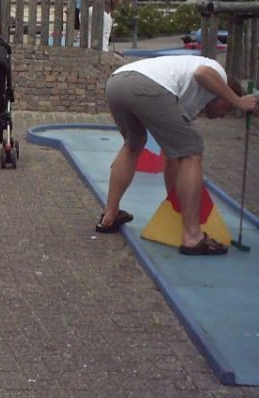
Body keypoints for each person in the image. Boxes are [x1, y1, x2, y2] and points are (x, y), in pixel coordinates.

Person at [97, 55, 257, 256]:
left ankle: (110, 215)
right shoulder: (217, 73)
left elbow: (172, 153)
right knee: (192, 151)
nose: (224, 114)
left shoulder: (189, 95)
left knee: (133, 144)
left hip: (116, 83)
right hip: (146, 86)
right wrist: (239, 102)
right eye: (228, 108)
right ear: (224, 95)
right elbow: (203, 73)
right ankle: (193, 236)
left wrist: (173, 202)